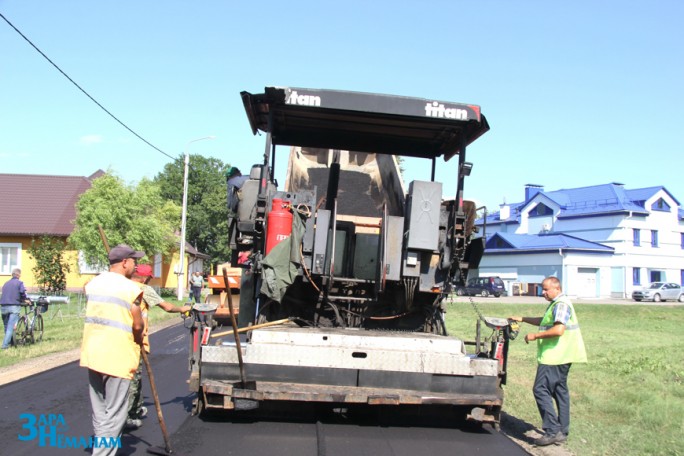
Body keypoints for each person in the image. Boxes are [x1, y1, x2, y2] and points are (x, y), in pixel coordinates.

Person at [80, 244, 145, 455]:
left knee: (100, 411)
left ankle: (100, 446)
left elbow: (89, 292)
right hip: (117, 356)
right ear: (125, 262)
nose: (136, 265)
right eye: (134, 261)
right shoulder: (131, 289)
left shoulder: (94, 284)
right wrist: (139, 337)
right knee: (116, 412)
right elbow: (137, 325)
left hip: (93, 355)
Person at [509, 276, 587, 447]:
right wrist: (523, 318)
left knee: (540, 389)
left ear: (557, 288)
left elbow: (558, 330)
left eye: (546, 289)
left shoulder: (561, 304)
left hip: (555, 356)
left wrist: (534, 336)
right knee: (560, 392)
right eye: (542, 289)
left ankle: (552, 430)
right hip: (564, 356)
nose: (543, 293)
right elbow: (545, 321)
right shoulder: (558, 303)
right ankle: (562, 432)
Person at [125, 264, 191, 429]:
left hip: (118, 337)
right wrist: (183, 308)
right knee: (133, 377)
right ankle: (126, 416)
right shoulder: (143, 289)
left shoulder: (122, 285)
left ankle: (136, 408)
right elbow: (167, 307)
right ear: (145, 277)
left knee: (130, 377)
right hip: (134, 339)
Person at [1, 268, 27, 349]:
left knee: (6, 326)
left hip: (3, 306)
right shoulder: (19, 283)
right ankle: (5, 345)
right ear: (18, 275)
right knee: (10, 327)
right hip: (14, 306)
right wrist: (25, 299)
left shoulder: (6, 283)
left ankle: (11, 342)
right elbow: (22, 293)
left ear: (12, 274)